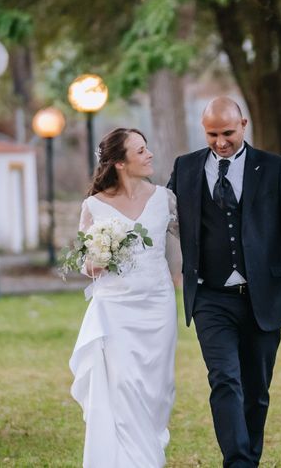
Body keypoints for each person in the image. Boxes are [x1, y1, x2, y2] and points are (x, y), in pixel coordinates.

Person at [168, 97, 281, 467]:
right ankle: (238, 462)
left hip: (262, 294)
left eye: (228, 133)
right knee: (224, 381)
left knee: (256, 390)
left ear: (244, 125)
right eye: (212, 134)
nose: (220, 142)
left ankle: (247, 457)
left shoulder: (273, 167)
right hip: (210, 296)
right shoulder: (186, 168)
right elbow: (162, 216)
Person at [69, 128, 179, 467]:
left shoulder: (165, 198)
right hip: (115, 309)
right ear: (119, 162)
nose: (149, 155)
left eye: (147, 148)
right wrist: (97, 260)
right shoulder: (94, 207)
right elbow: (86, 265)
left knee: (155, 390)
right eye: (140, 151)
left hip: (158, 307)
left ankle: (148, 450)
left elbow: (196, 240)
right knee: (122, 387)